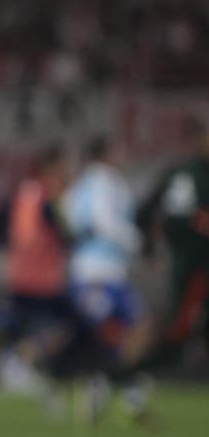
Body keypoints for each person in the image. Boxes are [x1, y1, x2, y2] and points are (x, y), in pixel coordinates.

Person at [0, 147, 102, 403]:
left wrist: (7, 246)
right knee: (80, 327)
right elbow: (67, 236)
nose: (66, 173)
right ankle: (40, 373)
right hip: (41, 282)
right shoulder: (48, 198)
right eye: (62, 168)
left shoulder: (25, 193)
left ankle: (15, 369)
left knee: (18, 331)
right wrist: (86, 233)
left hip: (26, 278)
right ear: (49, 169)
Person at [115, 117, 209, 420]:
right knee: (174, 343)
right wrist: (150, 247)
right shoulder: (188, 175)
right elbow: (166, 216)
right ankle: (119, 380)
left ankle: (121, 381)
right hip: (196, 272)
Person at [62, 137, 141, 416]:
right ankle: (118, 385)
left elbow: (70, 220)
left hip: (88, 269)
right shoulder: (104, 182)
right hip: (102, 270)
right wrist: (135, 241)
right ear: (103, 154)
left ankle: (106, 383)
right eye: (115, 151)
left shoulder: (79, 185)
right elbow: (104, 221)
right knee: (124, 328)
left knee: (111, 330)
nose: (120, 157)